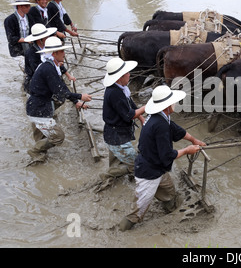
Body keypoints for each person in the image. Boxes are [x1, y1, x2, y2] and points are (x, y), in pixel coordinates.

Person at [119, 85, 206, 231]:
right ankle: (121, 233)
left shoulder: (160, 117)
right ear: (167, 106)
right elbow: (167, 156)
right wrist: (187, 150)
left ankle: (170, 208)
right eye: (173, 102)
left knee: (169, 192)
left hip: (157, 167)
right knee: (136, 212)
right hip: (149, 172)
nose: (175, 104)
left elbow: (176, 129)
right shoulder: (160, 125)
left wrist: (193, 140)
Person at [26, 36, 92, 164]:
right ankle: (35, 151)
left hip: (36, 104)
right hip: (38, 107)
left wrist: (76, 102)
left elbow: (61, 87)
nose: (64, 54)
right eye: (62, 51)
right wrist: (80, 97)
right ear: (54, 53)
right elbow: (61, 91)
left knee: (40, 133)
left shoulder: (50, 65)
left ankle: (40, 154)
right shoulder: (48, 68)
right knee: (58, 136)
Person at [99, 58, 146, 187]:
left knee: (116, 158)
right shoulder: (115, 93)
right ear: (119, 77)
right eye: (127, 73)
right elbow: (129, 115)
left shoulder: (121, 89)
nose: (129, 75)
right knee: (137, 163)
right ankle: (108, 176)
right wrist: (147, 107)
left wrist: (141, 118)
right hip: (116, 135)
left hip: (114, 132)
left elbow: (131, 105)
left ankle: (112, 178)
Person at [3, 0, 35, 72]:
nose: (29, 8)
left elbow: (34, 31)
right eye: (26, 6)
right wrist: (26, 40)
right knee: (28, 70)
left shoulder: (30, 17)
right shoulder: (9, 20)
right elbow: (11, 39)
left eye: (29, 6)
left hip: (29, 49)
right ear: (20, 6)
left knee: (32, 69)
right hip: (17, 51)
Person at [23, 23, 57, 93]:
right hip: (34, 81)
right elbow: (38, 70)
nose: (48, 38)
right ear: (39, 40)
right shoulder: (31, 53)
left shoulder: (48, 48)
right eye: (46, 37)